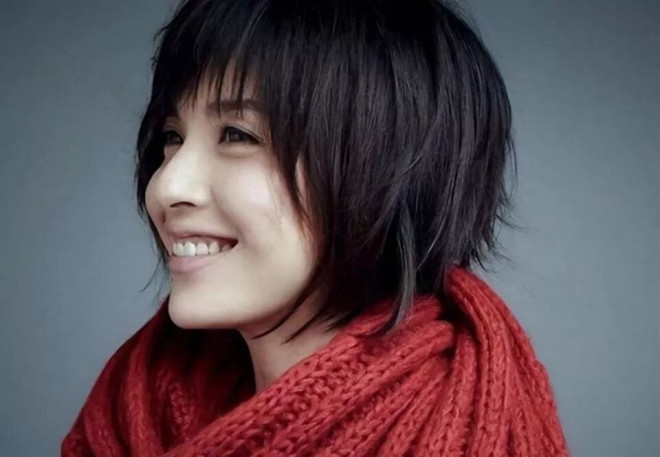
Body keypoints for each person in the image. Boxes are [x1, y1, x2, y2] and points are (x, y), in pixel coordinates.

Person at [61, 0, 572, 455]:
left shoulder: (461, 439)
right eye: (172, 136)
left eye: (237, 135)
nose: (167, 185)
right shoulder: (134, 410)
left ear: (383, 172)